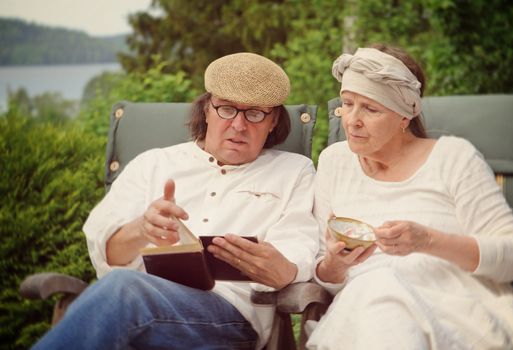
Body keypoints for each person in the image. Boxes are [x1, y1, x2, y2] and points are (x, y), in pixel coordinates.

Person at [32, 52, 319, 350]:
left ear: (273, 120)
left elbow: (299, 249)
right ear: (207, 108)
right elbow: (106, 250)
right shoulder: (153, 164)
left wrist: (279, 267)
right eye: (227, 109)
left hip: (227, 317)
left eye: (255, 114)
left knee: (122, 291)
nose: (238, 125)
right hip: (137, 305)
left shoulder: (293, 171)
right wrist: (142, 229)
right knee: (122, 292)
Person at [306, 44, 513, 349]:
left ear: (404, 116)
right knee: (376, 287)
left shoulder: (453, 158)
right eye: (348, 103)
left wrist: (428, 241)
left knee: (379, 287)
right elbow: (321, 272)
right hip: (361, 317)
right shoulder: (333, 162)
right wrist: (335, 263)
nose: (352, 120)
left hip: (455, 314)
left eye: (370, 108)